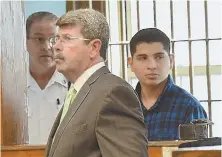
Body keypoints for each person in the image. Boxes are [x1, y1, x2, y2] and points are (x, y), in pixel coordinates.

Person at [46, 9, 148, 157]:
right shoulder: (78, 90)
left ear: (94, 48)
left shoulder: (113, 93)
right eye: (56, 38)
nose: (56, 46)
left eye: (67, 38)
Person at [128, 28, 207, 141]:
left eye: (159, 57)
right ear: (131, 63)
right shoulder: (124, 105)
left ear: (171, 61)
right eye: (143, 58)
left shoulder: (189, 107)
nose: (152, 65)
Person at [26, 11, 68, 144]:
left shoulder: (74, 85)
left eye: (54, 39)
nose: (47, 47)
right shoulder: (11, 89)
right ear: (26, 42)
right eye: (39, 39)